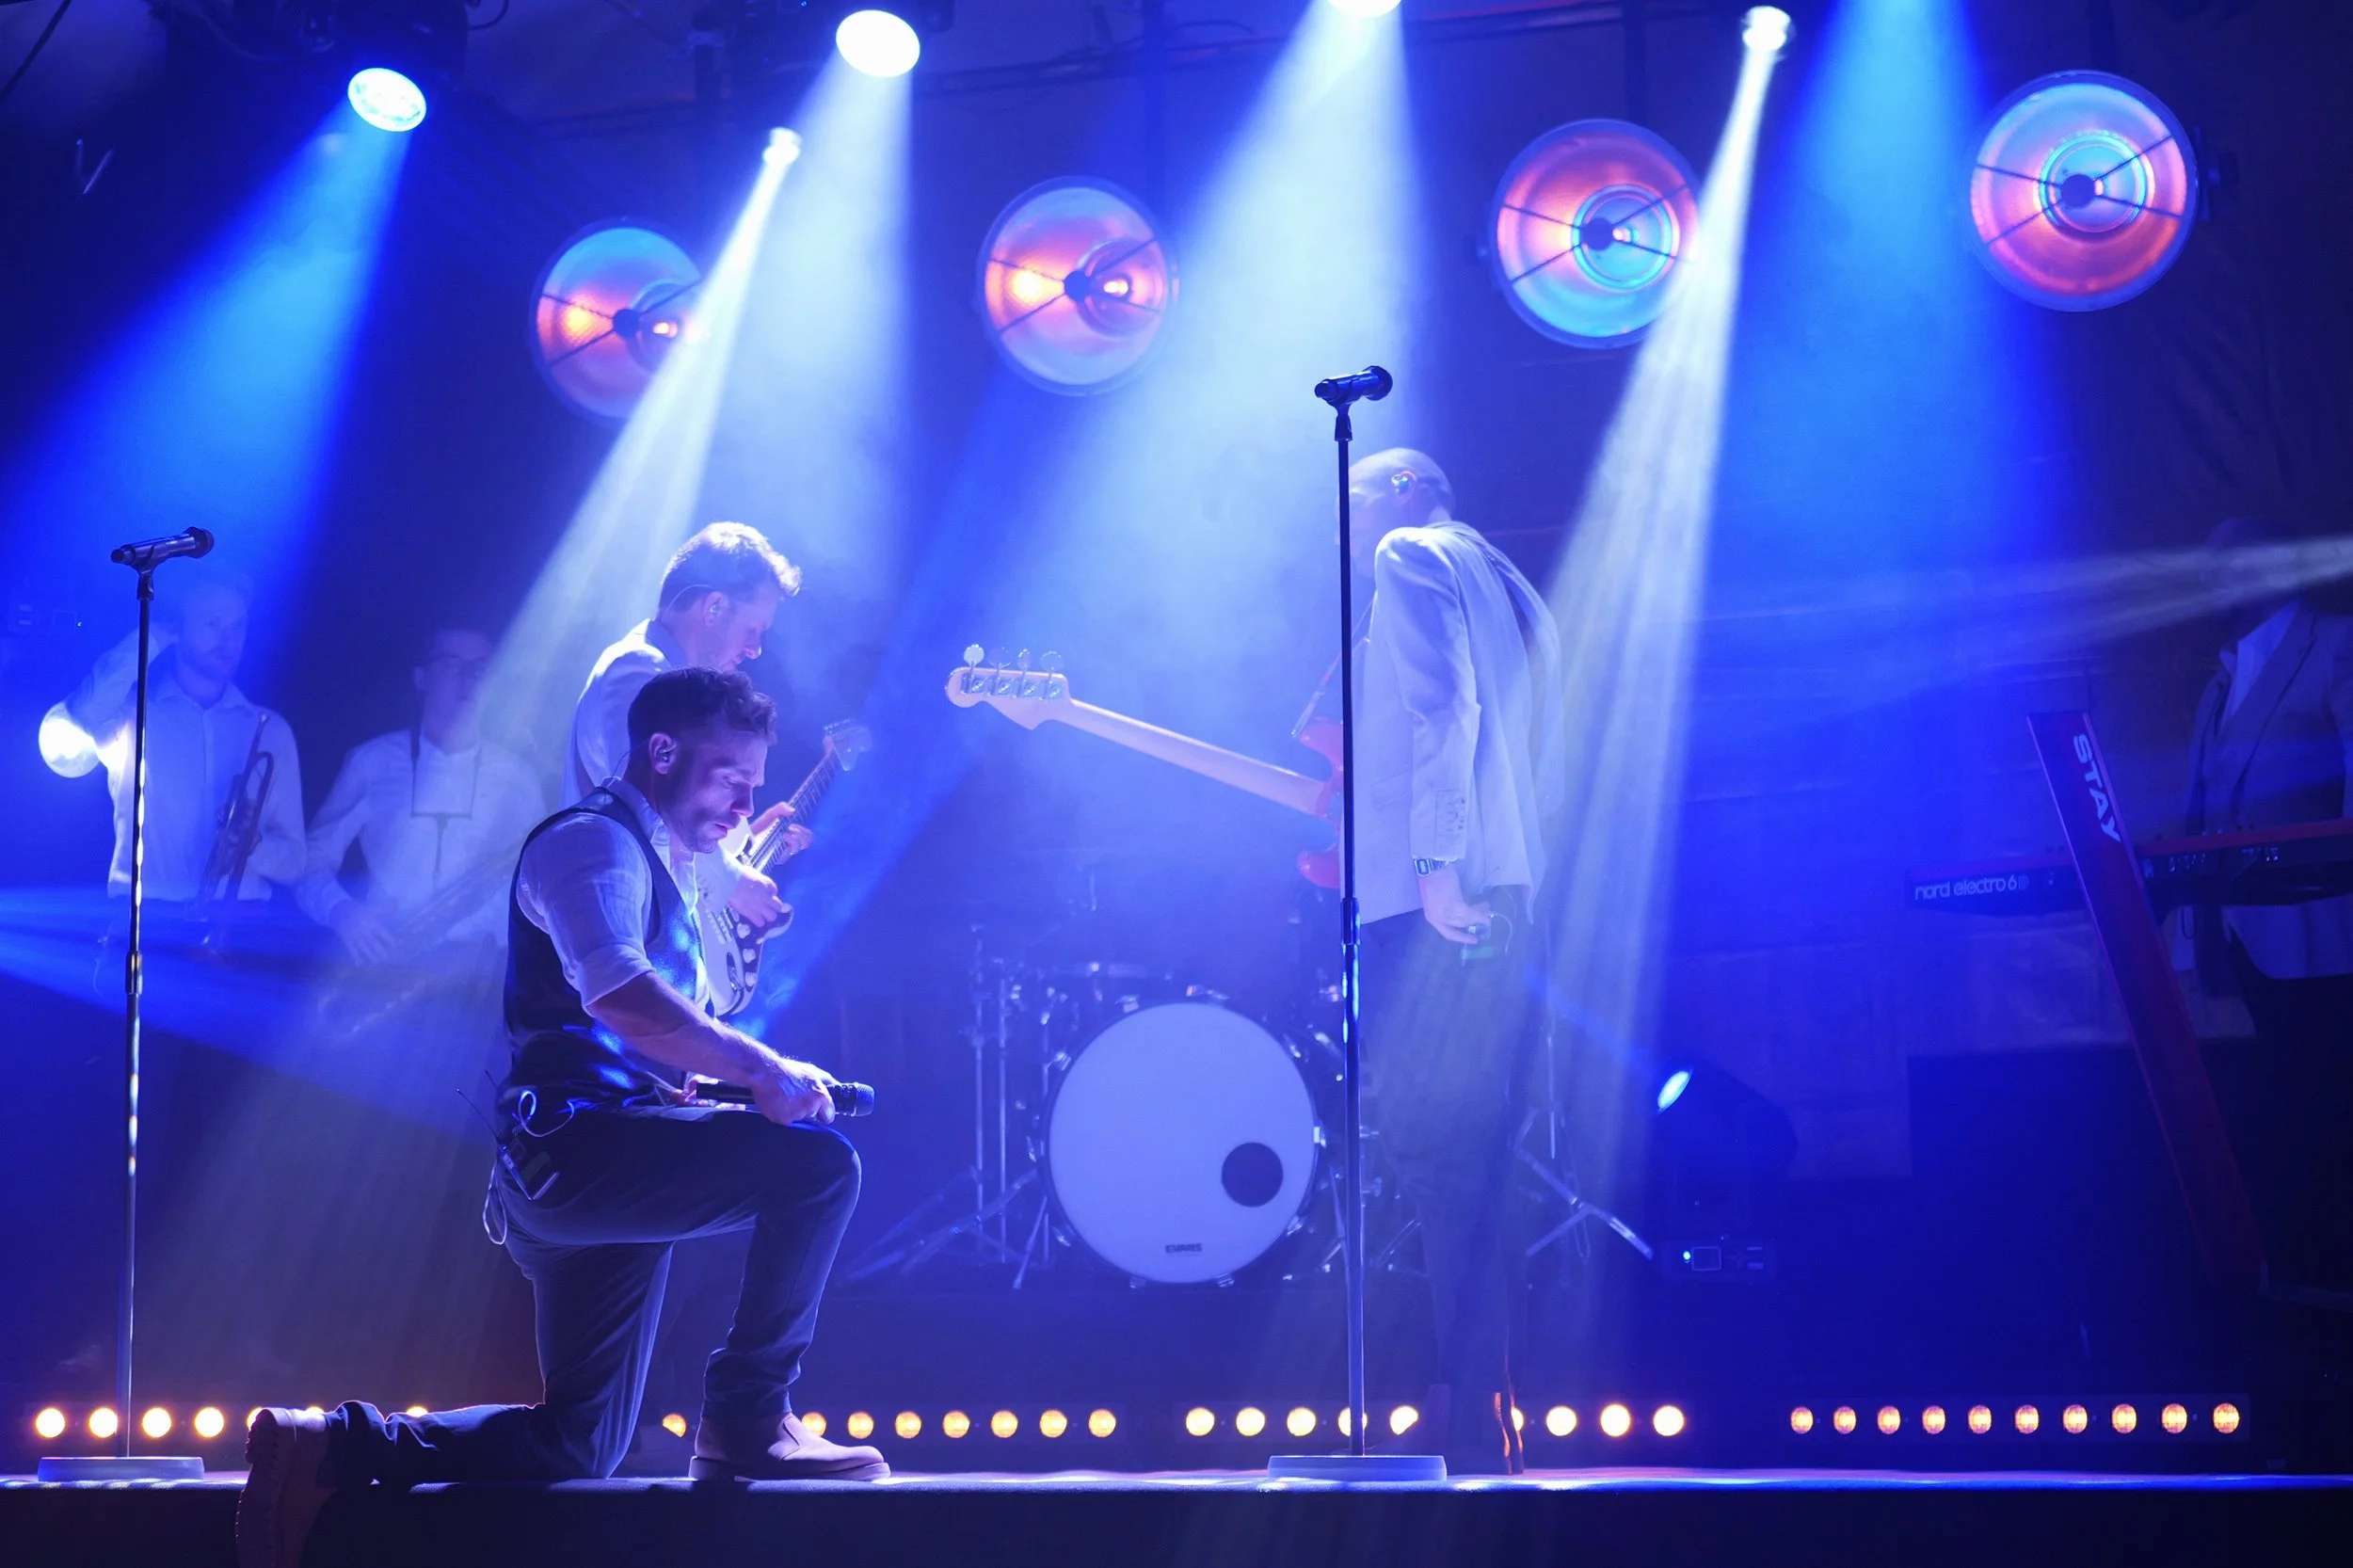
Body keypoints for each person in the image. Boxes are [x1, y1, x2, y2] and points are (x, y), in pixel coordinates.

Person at [238, 667, 881, 1568]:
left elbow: (673, 1026)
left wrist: (741, 1027)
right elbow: (620, 993)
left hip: (610, 1161)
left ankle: (336, 1444)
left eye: (755, 780)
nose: (748, 799)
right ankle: (748, 1417)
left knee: (580, 1444)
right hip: (574, 1154)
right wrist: (764, 1072)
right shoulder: (590, 845)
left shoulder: (666, 865)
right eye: (732, 775)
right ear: (662, 751)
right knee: (819, 1168)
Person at [1347, 448, 1563, 1475]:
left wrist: (1433, 863)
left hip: (1437, 902)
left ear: (1397, 492)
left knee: (1440, 1166)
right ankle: (1482, 1402)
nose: (1348, 530)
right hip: (1506, 891)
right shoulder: (1511, 580)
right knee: (1478, 1168)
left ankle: (1473, 1415)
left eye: (1354, 504)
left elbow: (1447, 708)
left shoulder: (1407, 551)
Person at [2177, 514, 2353, 1293]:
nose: (2218, 578)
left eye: (2235, 563)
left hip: (2326, 932)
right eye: (2210, 567)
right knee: (2279, 1122)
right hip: (2239, 941)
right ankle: (2293, 1280)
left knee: (2327, 1114)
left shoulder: (2338, 644)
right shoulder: (2219, 679)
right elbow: (2202, 810)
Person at [569, 521, 810, 939]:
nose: (755, 649)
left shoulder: (670, 678)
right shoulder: (638, 670)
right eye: (752, 629)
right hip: (612, 951)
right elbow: (643, 806)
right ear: (714, 607)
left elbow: (677, 825)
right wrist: (733, 879)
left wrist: (743, 842)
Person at [38, 568, 305, 906]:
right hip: (146, 920)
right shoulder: (131, 717)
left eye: (239, 625)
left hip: (239, 925)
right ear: (179, 627)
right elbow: (85, 711)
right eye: (212, 623)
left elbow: (296, 862)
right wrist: (152, 638)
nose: (229, 640)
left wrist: (254, 847)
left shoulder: (270, 730)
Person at [298, 627, 546, 963]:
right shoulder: (372, 763)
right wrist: (341, 911)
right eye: (451, 665)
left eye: (479, 668)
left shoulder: (519, 778)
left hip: (485, 977)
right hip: (388, 966)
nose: (467, 678)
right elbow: (309, 860)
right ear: (421, 678)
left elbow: (545, 884)